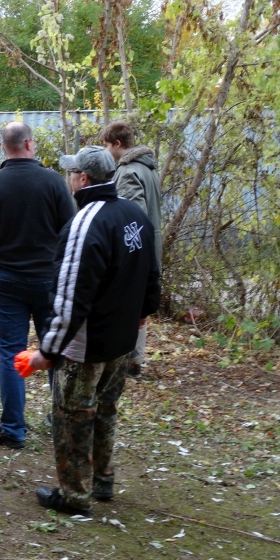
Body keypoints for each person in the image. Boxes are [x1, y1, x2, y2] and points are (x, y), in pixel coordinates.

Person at [27, 145, 160, 516]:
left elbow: (70, 296)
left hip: (86, 346)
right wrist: (143, 314)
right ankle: (103, 481)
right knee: (106, 410)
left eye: (71, 173)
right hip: (121, 340)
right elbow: (152, 272)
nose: (69, 178)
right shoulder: (133, 215)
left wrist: (49, 350)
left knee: (74, 413)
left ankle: (74, 495)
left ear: (82, 179)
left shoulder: (85, 223)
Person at [0, 122, 75, 449]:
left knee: (11, 353)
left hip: (6, 281)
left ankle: (13, 429)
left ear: (4, 147)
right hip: (49, 282)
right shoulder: (55, 182)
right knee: (54, 350)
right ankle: (63, 424)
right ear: (29, 144)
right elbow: (71, 234)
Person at [100, 120, 162, 376]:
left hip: (136, 248)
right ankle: (135, 359)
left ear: (117, 143)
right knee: (140, 301)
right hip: (151, 245)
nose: (104, 151)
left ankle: (130, 360)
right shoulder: (148, 169)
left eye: (105, 145)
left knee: (130, 299)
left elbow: (132, 216)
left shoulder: (127, 172)